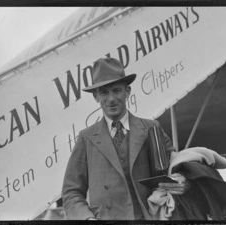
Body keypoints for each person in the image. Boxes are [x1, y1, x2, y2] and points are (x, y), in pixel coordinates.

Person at [61, 57, 190, 220]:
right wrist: (87, 218)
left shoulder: (151, 129)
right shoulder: (86, 138)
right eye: (104, 92)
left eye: (116, 91)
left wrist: (181, 183)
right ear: (96, 96)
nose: (111, 99)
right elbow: (71, 192)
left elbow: (172, 174)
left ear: (127, 91)